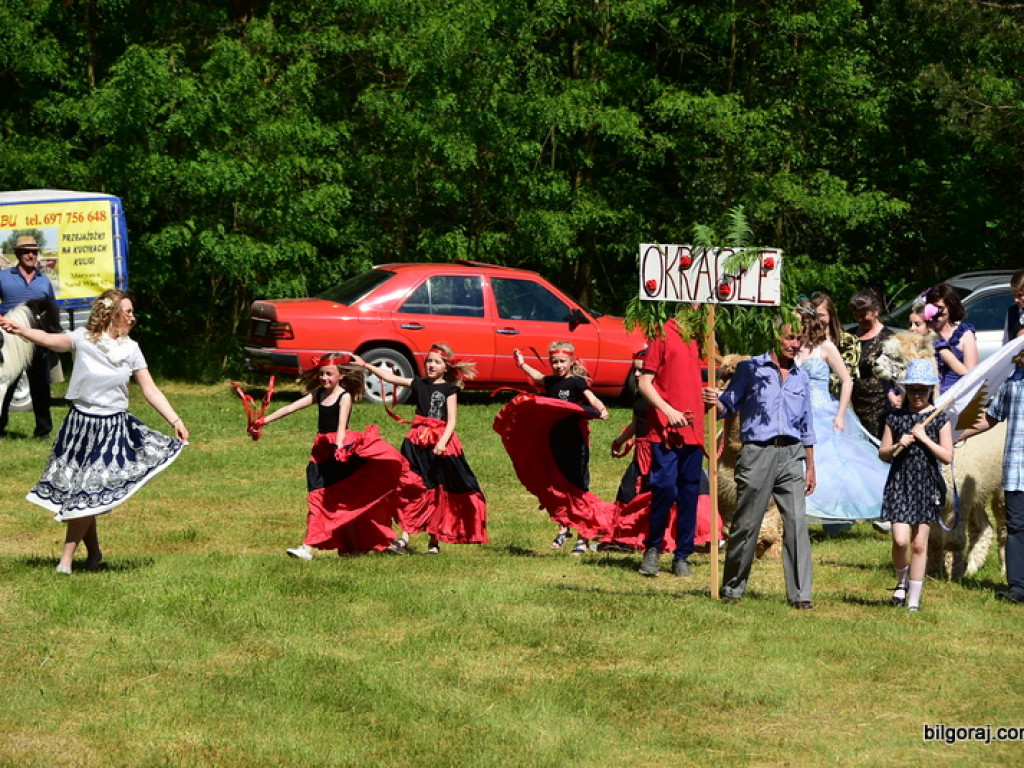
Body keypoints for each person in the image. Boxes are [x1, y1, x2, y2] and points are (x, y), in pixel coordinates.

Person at [0, 289, 188, 574]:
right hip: (79, 427)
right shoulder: (83, 339)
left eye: (132, 312)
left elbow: (150, 389)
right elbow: (50, 340)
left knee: (88, 489)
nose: (133, 317)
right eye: (127, 312)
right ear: (111, 314)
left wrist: (175, 420)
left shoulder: (131, 349)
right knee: (81, 493)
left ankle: (65, 560)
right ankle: (95, 553)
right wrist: (20, 329)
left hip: (112, 430)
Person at [702, 321, 817, 608]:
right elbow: (728, 406)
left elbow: (807, 424)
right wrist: (714, 401)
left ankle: (801, 596)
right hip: (757, 452)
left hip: (791, 454)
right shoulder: (750, 369)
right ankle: (733, 588)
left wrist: (811, 466)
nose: (795, 345)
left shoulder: (801, 377)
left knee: (796, 525)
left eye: (799, 340)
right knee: (746, 524)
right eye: (790, 338)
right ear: (775, 338)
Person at [256, 352, 405, 559]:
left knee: (335, 500)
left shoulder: (344, 397)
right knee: (321, 498)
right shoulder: (319, 394)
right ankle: (351, 549)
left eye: (329, 374)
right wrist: (263, 421)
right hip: (321, 451)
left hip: (338, 451)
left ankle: (308, 548)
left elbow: (341, 427)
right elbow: (291, 407)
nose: (324, 378)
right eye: (322, 374)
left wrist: (339, 449)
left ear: (341, 375)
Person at [357, 343, 487, 555]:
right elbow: (390, 378)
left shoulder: (449, 390)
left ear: (446, 367)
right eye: (429, 361)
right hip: (416, 442)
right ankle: (404, 538)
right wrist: (366, 365)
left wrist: (442, 442)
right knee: (411, 486)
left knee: (437, 490)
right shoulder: (418, 383)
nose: (431, 365)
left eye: (437, 362)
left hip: (439, 444)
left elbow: (452, 420)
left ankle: (434, 542)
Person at [513, 341, 609, 554]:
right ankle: (564, 526)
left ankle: (584, 536)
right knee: (559, 485)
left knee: (578, 487)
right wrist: (522, 364)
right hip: (555, 441)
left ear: (572, 361)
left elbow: (592, 398)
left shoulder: (577, 382)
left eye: (562, 361)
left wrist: (601, 409)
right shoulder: (551, 382)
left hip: (574, 442)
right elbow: (538, 377)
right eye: (554, 362)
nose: (558, 366)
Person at [795, 308, 888, 525]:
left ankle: (841, 511)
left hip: (822, 411)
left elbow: (847, 380)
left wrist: (840, 414)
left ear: (808, 322)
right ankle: (803, 510)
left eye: (799, 322)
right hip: (797, 414)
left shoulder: (825, 346)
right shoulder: (793, 348)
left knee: (833, 464)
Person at [877, 359, 952, 612]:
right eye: (911, 390)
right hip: (900, 483)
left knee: (919, 544)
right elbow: (883, 453)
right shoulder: (895, 418)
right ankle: (901, 583)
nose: (916, 395)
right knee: (900, 541)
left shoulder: (939, 419)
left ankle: (914, 600)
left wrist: (924, 439)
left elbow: (947, 456)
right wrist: (897, 445)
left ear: (930, 390)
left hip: (926, 485)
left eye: (921, 390)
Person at [635, 317, 705, 578]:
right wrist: (668, 410)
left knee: (689, 494)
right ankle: (653, 547)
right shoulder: (662, 333)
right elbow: (644, 382)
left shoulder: (704, 335)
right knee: (664, 488)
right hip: (666, 432)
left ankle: (682, 555)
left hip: (693, 431)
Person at [959, 346, 1024, 603]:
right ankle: (1018, 587)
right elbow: (990, 418)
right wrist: (956, 434)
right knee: (1016, 527)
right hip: (1017, 469)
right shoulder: (1012, 383)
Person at [0, 235, 55, 439]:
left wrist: (52, 334)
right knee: (6, 384)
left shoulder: (44, 280)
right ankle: (0, 426)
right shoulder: (4, 277)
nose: (31, 255)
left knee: (41, 386)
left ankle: (43, 431)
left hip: (37, 339)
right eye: (26, 251)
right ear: (17, 254)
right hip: (10, 340)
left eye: (34, 252)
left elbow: (51, 307)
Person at [848, 289, 895, 440]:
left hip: (879, 408)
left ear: (876, 311)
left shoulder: (889, 338)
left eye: (864, 314)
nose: (860, 319)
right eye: (856, 315)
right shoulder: (849, 336)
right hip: (852, 406)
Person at [923, 282, 977, 394]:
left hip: (954, 394)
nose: (936, 313)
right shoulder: (925, 332)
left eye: (940, 308)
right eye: (933, 308)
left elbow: (971, 375)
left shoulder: (964, 334)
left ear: (950, 308)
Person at [808, 292, 859, 401]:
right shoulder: (807, 342)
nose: (817, 320)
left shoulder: (847, 341)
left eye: (821, 315)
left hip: (837, 398)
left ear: (830, 314)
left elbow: (847, 375)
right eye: (814, 316)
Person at [1002, 269, 1024, 345]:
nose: (1016, 300)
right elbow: (1006, 342)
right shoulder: (1012, 311)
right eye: (1014, 295)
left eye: (1020, 295)